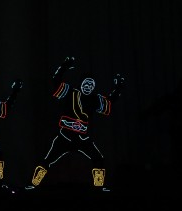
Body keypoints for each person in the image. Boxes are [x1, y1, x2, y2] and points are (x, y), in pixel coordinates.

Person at [25, 56, 125, 191]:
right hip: (65, 137)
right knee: (47, 160)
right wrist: (64, 66)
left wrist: (118, 88)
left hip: (83, 139)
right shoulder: (70, 92)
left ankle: (99, 187)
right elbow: (56, 82)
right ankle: (33, 184)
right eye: (86, 83)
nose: (88, 87)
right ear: (81, 83)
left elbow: (110, 102)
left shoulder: (95, 99)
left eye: (91, 85)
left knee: (98, 159)